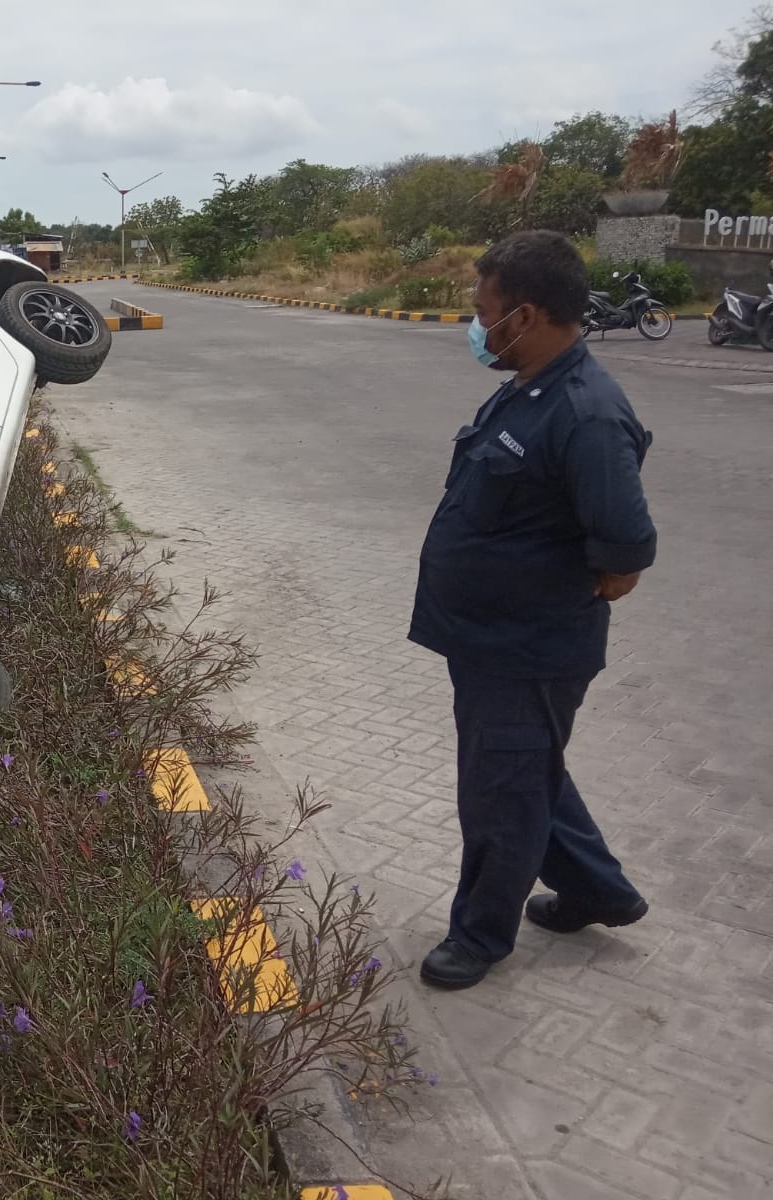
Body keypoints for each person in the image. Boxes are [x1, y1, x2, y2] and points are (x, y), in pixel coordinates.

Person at [409, 230, 656, 990]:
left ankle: (480, 939)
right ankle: (598, 890)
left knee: (501, 795)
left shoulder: (586, 412)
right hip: (490, 638)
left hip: (528, 646)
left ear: (524, 314)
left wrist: (604, 579)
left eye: (483, 313)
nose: (476, 328)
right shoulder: (528, 385)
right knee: (523, 772)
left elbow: (627, 542)